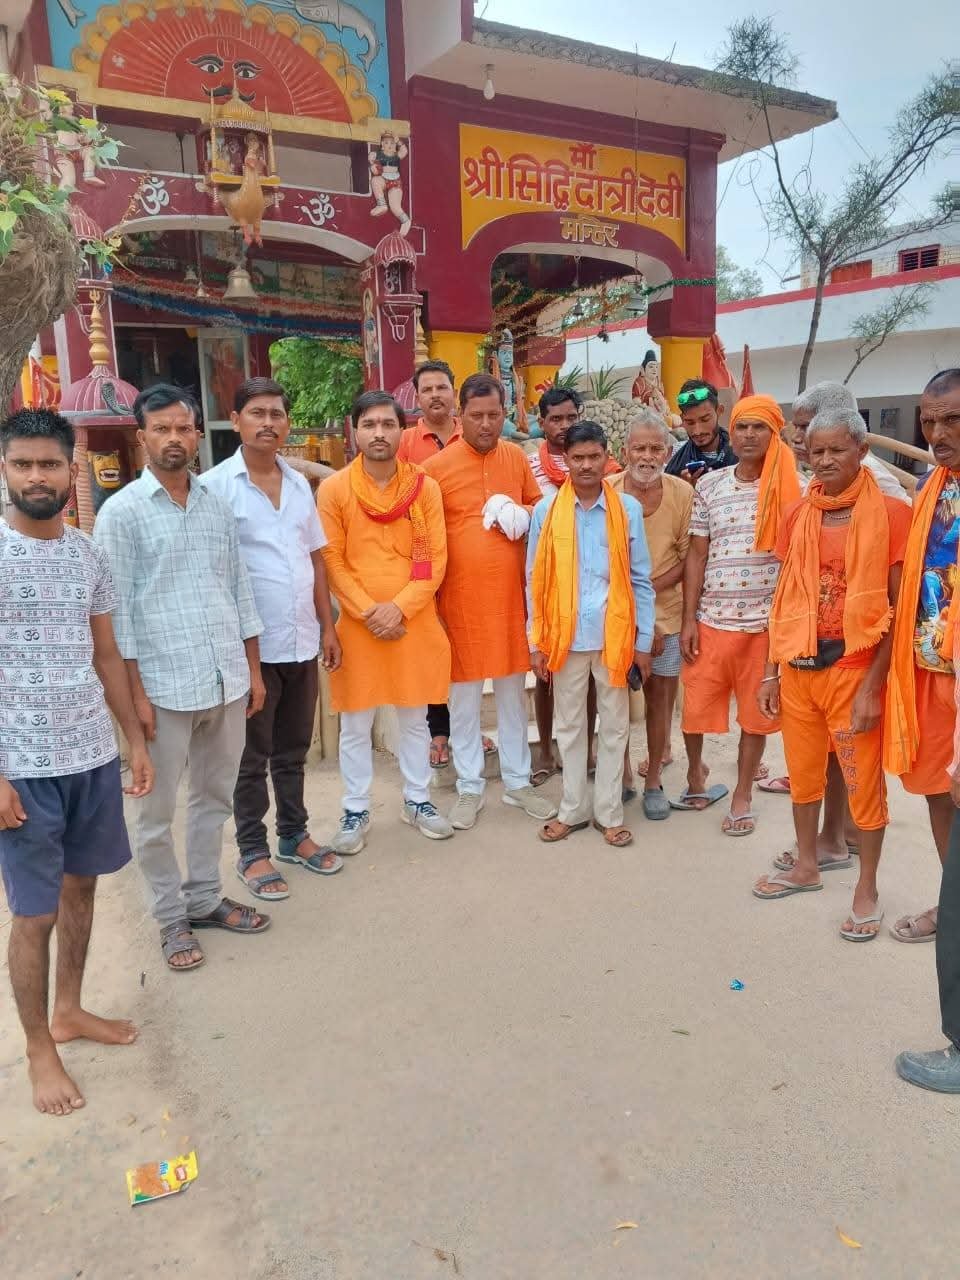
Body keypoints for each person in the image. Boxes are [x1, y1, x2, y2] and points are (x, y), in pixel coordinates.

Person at [0, 408, 154, 1115]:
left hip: (89, 755)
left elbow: (106, 654)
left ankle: (69, 1010)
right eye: (23, 464)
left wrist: (134, 741)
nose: (37, 476)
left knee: (82, 890)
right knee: (33, 915)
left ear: (72, 471)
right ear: (6, 470)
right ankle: (40, 1050)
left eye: (49, 464)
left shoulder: (87, 555)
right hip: (23, 766)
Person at [94, 384, 269, 973]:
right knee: (154, 814)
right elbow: (117, 618)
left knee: (213, 798)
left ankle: (204, 898)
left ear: (198, 434)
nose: (174, 438)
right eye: (161, 428)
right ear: (140, 437)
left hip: (225, 679)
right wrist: (135, 698)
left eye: (183, 428)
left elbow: (239, 590)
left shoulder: (216, 505)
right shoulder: (120, 515)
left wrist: (252, 669)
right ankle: (170, 916)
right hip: (162, 688)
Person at [752, 409, 911, 939]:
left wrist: (873, 686)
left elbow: (897, 611)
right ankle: (807, 864)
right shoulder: (798, 514)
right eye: (816, 451)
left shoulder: (892, 515)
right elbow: (783, 598)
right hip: (799, 667)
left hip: (853, 669)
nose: (823, 460)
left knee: (863, 784)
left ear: (861, 451)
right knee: (802, 776)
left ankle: (867, 888)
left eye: (836, 450)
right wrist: (771, 672)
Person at [201, 377, 343, 900]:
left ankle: (293, 835)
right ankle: (251, 851)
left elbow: (315, 559)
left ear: (287, 423)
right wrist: (242, 657)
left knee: (293, 749)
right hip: (250, 651)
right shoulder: (215, 488)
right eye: (257, 413)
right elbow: (215, 575)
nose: (268, 423)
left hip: (301, 640)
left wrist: (328, 626)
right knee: (250, 758)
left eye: (276, 414)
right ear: (236, 419)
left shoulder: (300, 484)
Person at [318, 392, 454, 850]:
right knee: (356, 724)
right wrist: (370, 611)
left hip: (412, 621)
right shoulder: (335, 490)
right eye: (370, 424)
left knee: (415, 719)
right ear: (354, 430)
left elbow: (435, 559)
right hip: (359, 627)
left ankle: (418, 800)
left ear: (402, 431)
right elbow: (332, 560)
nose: (379, 433)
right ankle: (355, 809)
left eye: (388, 424)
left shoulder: (423, 487)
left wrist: (400, 608)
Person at [423, 373, 558, 829]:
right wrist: (430, 605)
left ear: (505, 415)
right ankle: (469, 786)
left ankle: (518, 783)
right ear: (459, 415)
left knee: (511, 697)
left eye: (494, 415)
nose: (485, 424)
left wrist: (522, 513)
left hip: (511, 603)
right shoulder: (435, 469)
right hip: (457, 604)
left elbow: (542, 513)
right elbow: (422, 539)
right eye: (476, 415)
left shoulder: (516, 459)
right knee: (462, 700)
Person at [676, 395, 800, 833]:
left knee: (756, 716)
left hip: (765, 627)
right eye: (743, 427)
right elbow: (696, 555)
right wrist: (689, 619)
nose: (749, 435)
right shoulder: (710, 486)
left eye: (759, 427)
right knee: (694, 708)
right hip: (711, 620)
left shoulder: (796, 490)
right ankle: (696, 775)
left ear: (775, 433)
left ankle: (743, 793)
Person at [528, 422, 655, 846]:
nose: (585, 465)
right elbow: (534, 580)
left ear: (607, 457)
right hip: (564, 637)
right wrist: (536, 641)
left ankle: (609, 814)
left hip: (613, 637)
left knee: (615, 726)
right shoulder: (546, 511)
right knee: (569, 726)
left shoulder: (627, 509)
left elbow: (641, 580)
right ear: (565, 460)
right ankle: (572, 810)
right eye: (577, 458)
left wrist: (642, 642)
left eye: (593, 457)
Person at [885, 369, 960, 944]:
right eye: (930, 422)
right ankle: (953, 905)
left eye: (952, 419)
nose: (937, 434)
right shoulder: (930, 486)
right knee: (938, 787)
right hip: (929, 665)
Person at [527, 386, 618, 783]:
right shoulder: (531, 466)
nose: (564, 425)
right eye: (556, 419)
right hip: (551, 583)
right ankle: (547, 751)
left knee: (593, 683)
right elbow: (528, 519)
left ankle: (588, 751)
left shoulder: (601, 470)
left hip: (595, 593)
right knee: (547, 679)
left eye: (570, 417)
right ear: (542, 422)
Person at [608, 411, 694, 819]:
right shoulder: (607, 491)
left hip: (669, 615)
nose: (647, 456)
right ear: (625, 451)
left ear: (667, 452)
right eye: (639, 448)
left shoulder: (681, 493)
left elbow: (688, 558)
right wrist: (636, 609)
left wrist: (650, 606)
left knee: (660, 700)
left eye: (655, 448)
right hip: (616, 615)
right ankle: (623, 774)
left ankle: (654, 778)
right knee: (615, 700)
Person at [396, 360, 477, 771]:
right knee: (433, 645)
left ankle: (469, 729)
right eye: (426, 389)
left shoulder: (474, 433)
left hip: (469, 561)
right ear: (418, 396)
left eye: (441, 387)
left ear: (453, 391)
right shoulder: (406, 443)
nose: (435, 395)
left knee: (466, 647)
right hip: (424, 560)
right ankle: (439, 730)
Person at [790, 382, 910, 503]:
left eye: (806, 427)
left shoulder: (868, 474)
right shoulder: (820, 476)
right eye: (796, 427)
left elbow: (902, 510)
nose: (795, 438)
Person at [665, 379, 737, 484]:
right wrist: (684, 489)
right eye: (690, 422)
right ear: (682, 419)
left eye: (705, 420)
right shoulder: (673, 460)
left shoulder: (741, 452)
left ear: (719, 411)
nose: (698, 431)